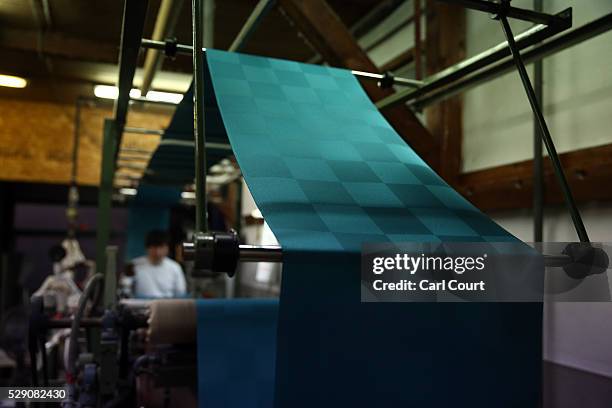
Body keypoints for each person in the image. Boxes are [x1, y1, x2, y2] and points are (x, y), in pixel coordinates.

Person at [132, 230, 187, 298]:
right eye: (154, 248)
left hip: (166, 306)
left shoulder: (175, 267)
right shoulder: (134, 265)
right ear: (147, 248)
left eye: (161, 247)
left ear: (167, 248)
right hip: (140, 306)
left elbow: (180, 293)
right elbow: (126, 289)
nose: (157, 252)